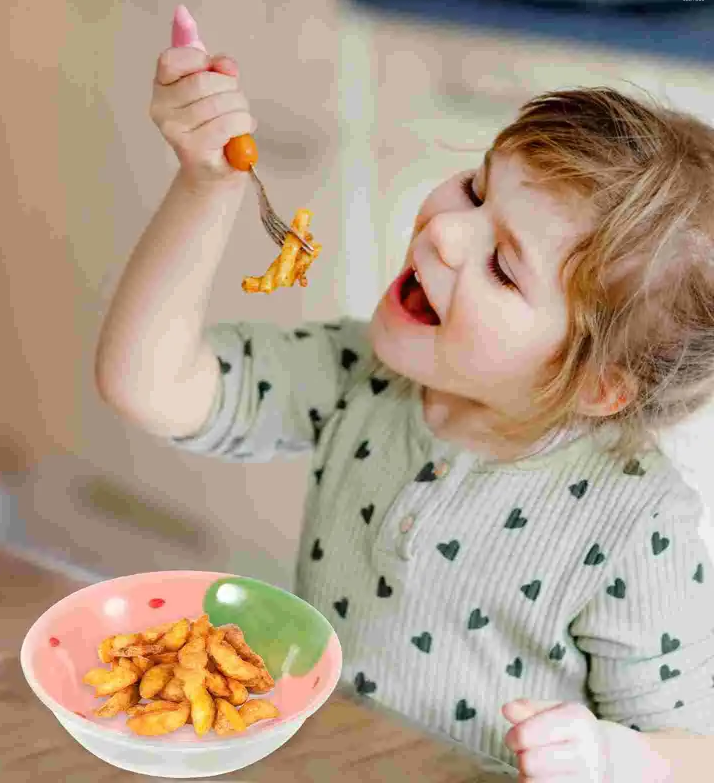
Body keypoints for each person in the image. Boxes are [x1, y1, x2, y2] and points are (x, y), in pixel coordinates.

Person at [94, 38, 714, 781]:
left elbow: (695, 752)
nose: (445, 231)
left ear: (598, 386)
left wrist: (621, 760)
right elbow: (148, 383)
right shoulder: (359, 374)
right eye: (477, 191)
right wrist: (207, 183)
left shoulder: (636, 528)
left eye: (503, 267)